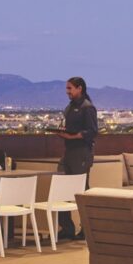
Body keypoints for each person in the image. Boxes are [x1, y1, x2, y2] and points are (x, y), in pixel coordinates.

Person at [54, 77, 97, 240]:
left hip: (82, 153)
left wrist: (72, 137)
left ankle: (87, 229)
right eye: (66, 89)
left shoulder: (88, 107)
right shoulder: (69, 107)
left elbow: (92, 132)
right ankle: (66, 227)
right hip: (68, 152)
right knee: (61, 187)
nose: (67, 92)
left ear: (80, 88)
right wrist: (63, 132)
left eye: (70, 88)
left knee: (81, 192)